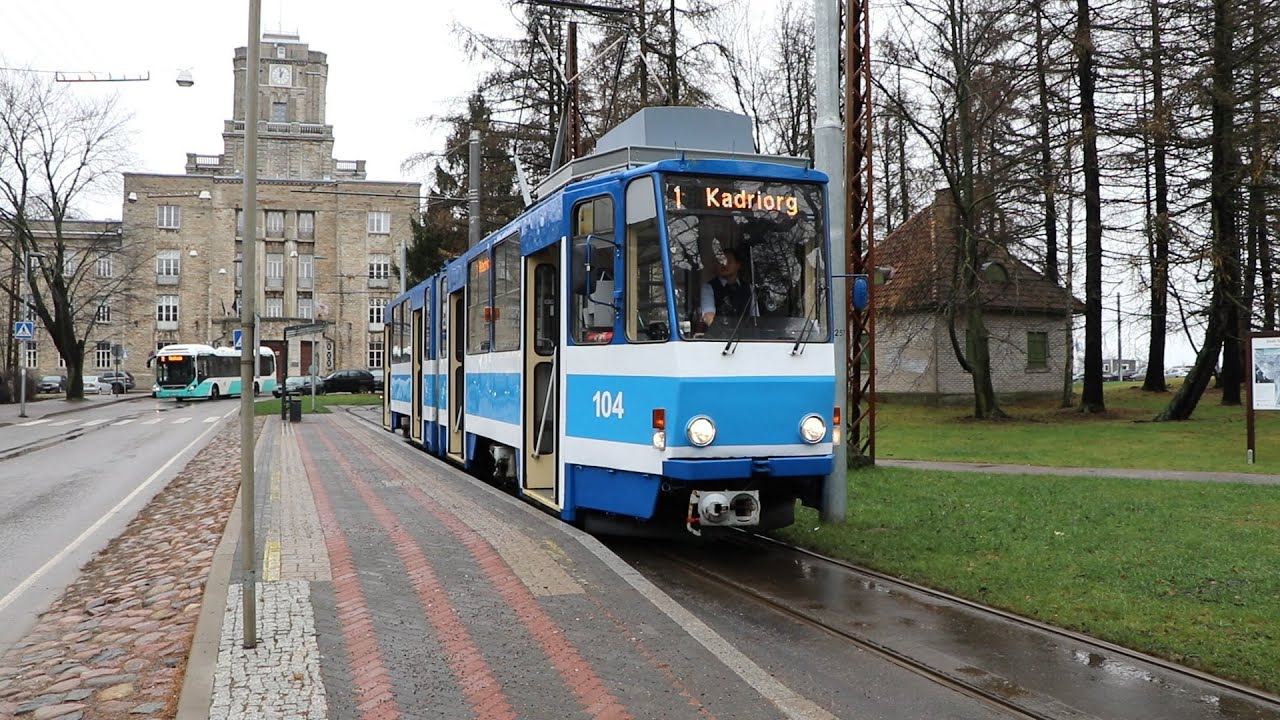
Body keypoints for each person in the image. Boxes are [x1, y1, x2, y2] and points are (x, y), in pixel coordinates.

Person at [698, 247, 755, 327]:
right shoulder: (708, 288)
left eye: (729, 261)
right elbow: (708, 316)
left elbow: (755, 317)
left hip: (745, 337)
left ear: (738, 265)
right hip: (720, 337)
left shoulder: (749, 288)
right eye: (720, 261)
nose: (724, 264)